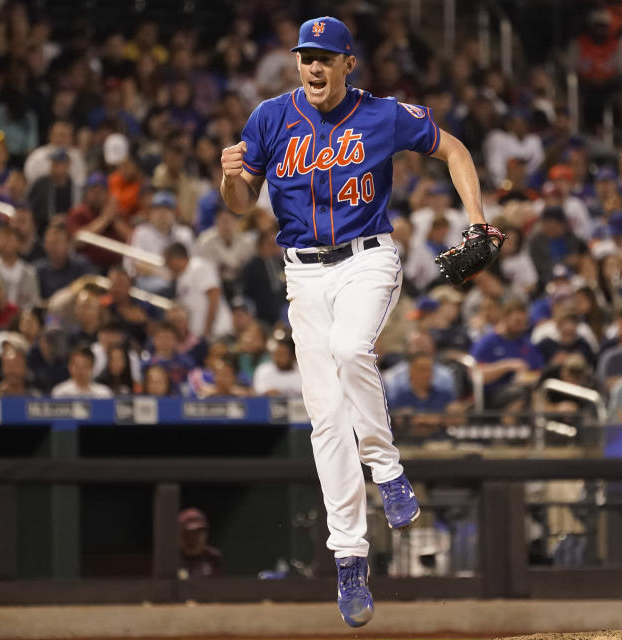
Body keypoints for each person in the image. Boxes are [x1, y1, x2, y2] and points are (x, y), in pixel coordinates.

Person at [219, 16, 496, 626]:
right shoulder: (270, 117)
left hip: (367, 259)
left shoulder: (382, 113)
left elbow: (453, 147)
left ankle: (389, 469)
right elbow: (240, 205)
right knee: (324, 419)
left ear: (348, 64)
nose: (313, 67)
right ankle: (349, 559)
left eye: (325, 57)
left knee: (350, 350)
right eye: (305, 56)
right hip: (303, 274)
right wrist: (229, 174)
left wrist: (475, 219)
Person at [178, 508, 222, 579]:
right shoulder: (171, 559)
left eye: (200, 532)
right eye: (191, 533)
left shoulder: (212, 558)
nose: (196, 537)